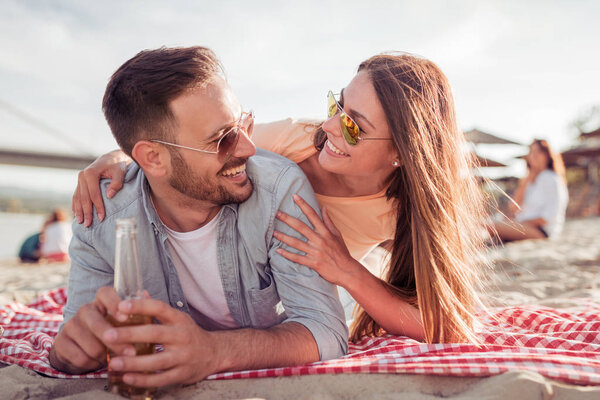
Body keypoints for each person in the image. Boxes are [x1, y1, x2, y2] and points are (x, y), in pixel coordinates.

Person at [73, 53, 488, 345]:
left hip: (321, 296)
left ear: (403, 150)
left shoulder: (404, 209)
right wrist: (114, 157)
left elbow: (446, 324)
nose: (329, 125)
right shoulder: (292, 139)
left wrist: (347, 269)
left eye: (353, 126)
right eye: (337, 104)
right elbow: (193, 150)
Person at [49, 46, 348, 387]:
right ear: (153, 158)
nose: (248, 147)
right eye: (223, 139)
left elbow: (326, 332)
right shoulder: (102, 216)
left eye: (243, 123)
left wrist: (214, 352)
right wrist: (69, 354)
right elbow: (72, 348)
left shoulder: (279, 188)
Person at [488, 139, 568, 242]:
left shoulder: (551, 178)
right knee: (489, 224)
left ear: (547, 155)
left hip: (542, 231)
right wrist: (526, 180)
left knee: (490, 225)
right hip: (525, 225)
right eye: (531, 151)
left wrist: (517, 224)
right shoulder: (530, 180)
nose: (533, 155)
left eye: (538, 151)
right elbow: (513, 208)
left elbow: (547, 218)